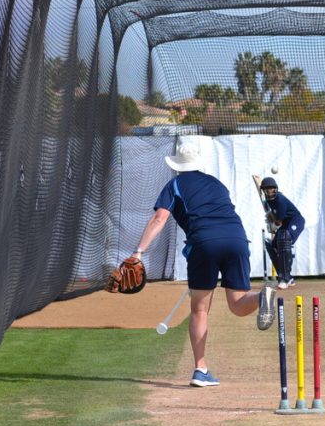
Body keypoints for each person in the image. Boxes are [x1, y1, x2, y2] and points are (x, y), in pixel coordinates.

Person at [128, 140, 275, 388]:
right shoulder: (216, 184)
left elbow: (159, 218)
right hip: (237, 239)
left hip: (204, 242)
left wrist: (138, 252)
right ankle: (263, 297)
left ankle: (201, 369)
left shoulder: (174, 184)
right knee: (238, 304)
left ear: (177, 165)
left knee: (199, 310)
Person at [259, 177, 305, 290]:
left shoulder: (280, 199)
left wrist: (272, 224)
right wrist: (270, 216)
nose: (270, 191)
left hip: (296, 221)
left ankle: (284, 279)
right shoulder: (268, 201)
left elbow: (278, 221)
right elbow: (274, 216)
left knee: (284, 238)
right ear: (264, 190)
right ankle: (288, 277)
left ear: (276, 189)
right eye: (268, 189)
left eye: (272, 188)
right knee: (272, 245)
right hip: (286, 224)